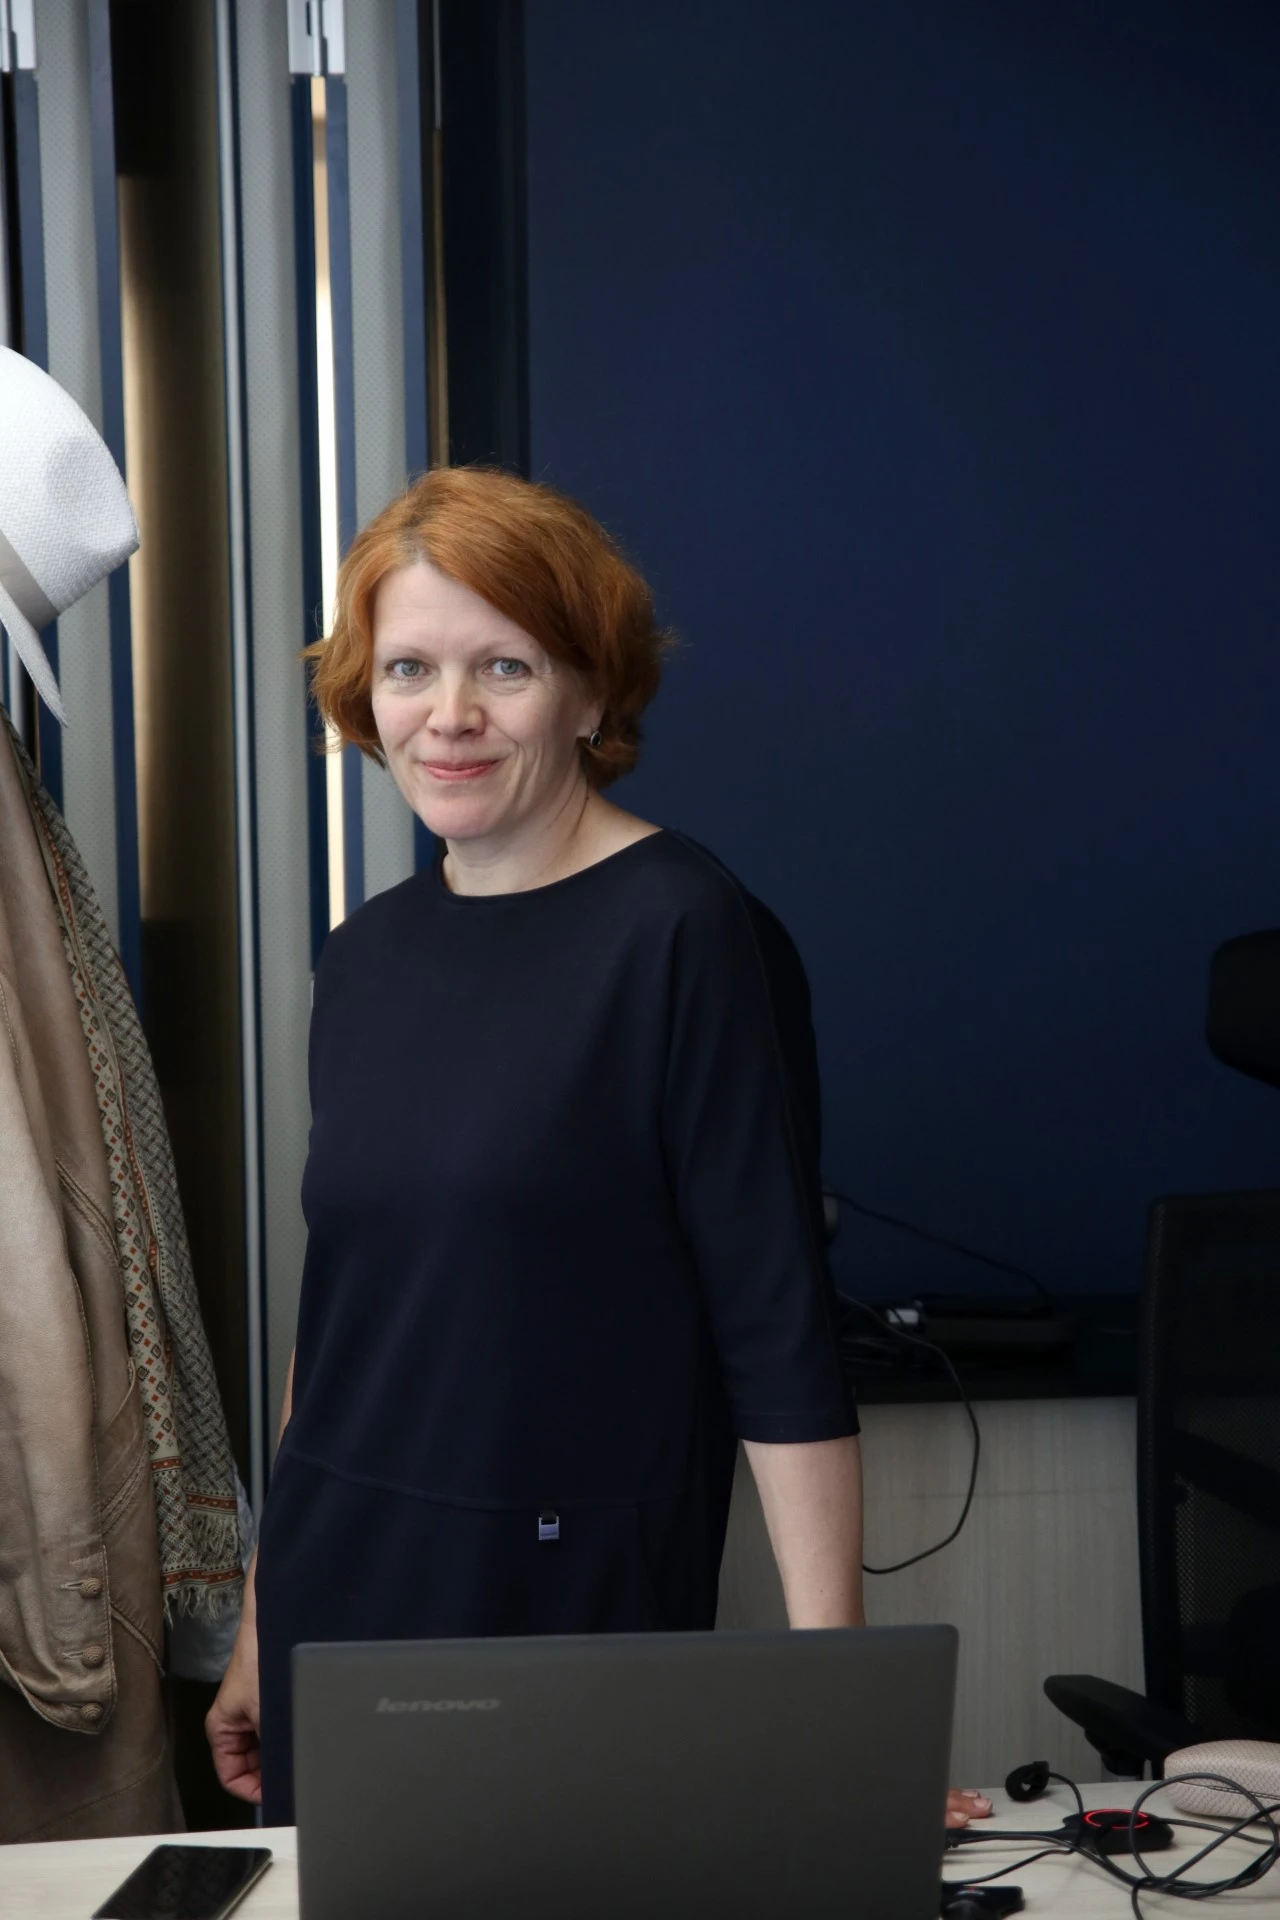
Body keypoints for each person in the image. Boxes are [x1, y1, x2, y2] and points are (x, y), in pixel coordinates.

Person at [206, 467, 991, 1833]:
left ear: (589, 693)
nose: (449, 714)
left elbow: (778, 1337)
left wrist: (849, 1709)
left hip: (560, 1592)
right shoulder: (365, 957)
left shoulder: (688, 934)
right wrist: (260, 1625)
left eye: (503, 667)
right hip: (341, 1594)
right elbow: (341, 1327)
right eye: (408, 668)